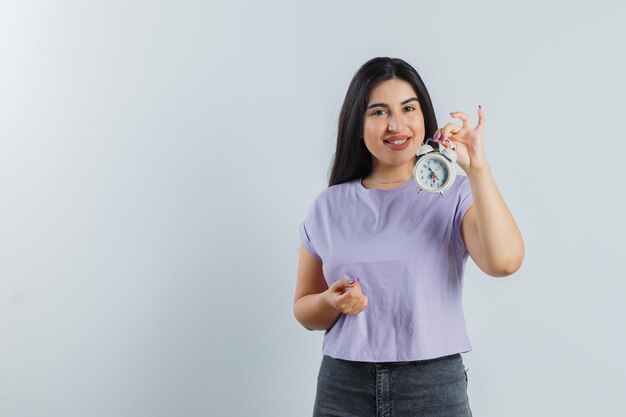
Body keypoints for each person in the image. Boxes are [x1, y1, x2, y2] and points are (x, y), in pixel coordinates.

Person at [293, 57, 524, 417]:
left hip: (431, 385)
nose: (396, 124)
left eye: (408, 108)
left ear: (424, 117)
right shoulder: (328, 206)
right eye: (379, 112)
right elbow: (305, 310)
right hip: (343, 386)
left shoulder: (455, 195)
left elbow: (505, 262)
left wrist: (477, 168)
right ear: (357, 124)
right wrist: (330, 302)